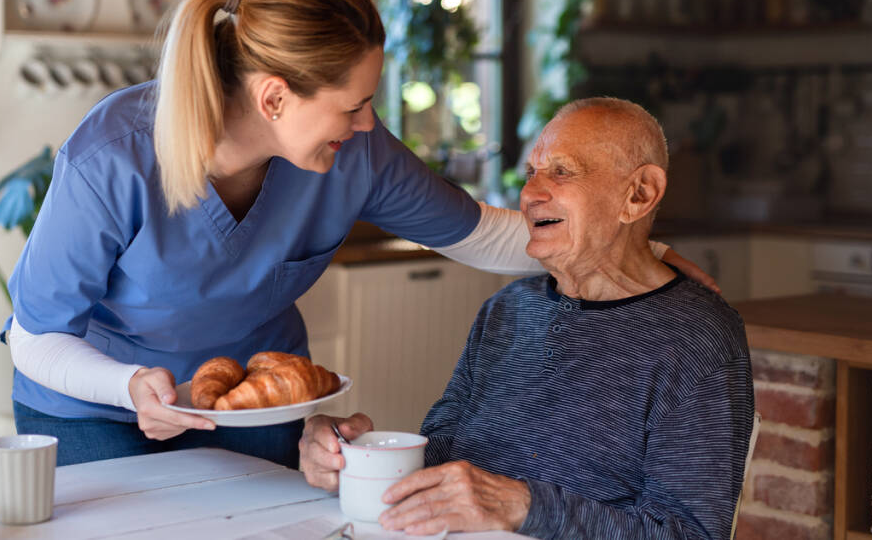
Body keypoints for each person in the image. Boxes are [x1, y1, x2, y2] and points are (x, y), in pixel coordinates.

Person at [4, 0, 716, 469]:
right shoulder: (115, 156)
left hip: (255, 402)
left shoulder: (356, 153)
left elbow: (484, 235)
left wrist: (628, 250)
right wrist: (128, 387)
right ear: (275, 98)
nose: (368, 123)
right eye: (352, 105)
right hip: (98, 408)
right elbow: (36, 338)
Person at [300, 98, 755, 539]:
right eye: (532, 173)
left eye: (562, 172)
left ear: (639, 195)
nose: (531, 194)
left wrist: (524, 507)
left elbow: (688, 532)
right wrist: (354, 461)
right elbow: (443, 452)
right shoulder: (508, 310)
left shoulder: (696, 338)